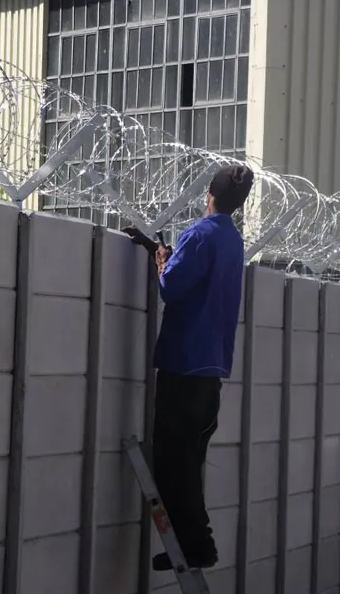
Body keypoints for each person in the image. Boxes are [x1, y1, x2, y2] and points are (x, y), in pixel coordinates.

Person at [123, 164, 253, 571]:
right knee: (188, 462)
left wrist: (162, 259)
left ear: (208, 194)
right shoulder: (233, 241)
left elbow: (172, 289)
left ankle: (198, 546)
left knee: (170, 465)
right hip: (211, 371)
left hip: (183, 366)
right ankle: (197, 544)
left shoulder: (200, 234)